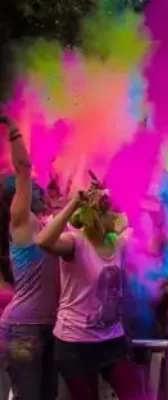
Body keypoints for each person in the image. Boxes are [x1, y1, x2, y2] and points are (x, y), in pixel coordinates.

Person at [35, 186, 143, 400]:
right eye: (109, 212)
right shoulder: (75, 242)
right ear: (94, 217)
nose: (115, 216)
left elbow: (137, 219)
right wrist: (75, 201)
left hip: (112, 339)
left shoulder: (117, 243)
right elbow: (42, 241)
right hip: (75, 343)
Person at [0, 116, 60, 400]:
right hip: (23, 330)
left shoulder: (47, 225)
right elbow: (23, 169)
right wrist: (13, 131)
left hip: (50, 327)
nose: (38, 189)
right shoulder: (22, 222)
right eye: (31, 188)